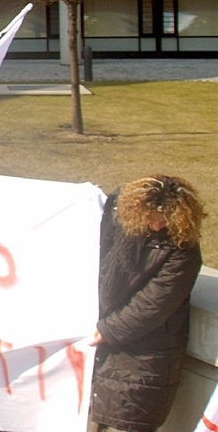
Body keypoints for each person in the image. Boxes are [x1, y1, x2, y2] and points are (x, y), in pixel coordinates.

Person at [90, 175, 206, 432]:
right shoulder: (117, 225)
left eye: (164, 220)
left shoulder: (183, 249)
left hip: (144, 358)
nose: (156, 225)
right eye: (151, 217)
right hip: (104, 349)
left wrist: (108, 329)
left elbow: (154, 303)